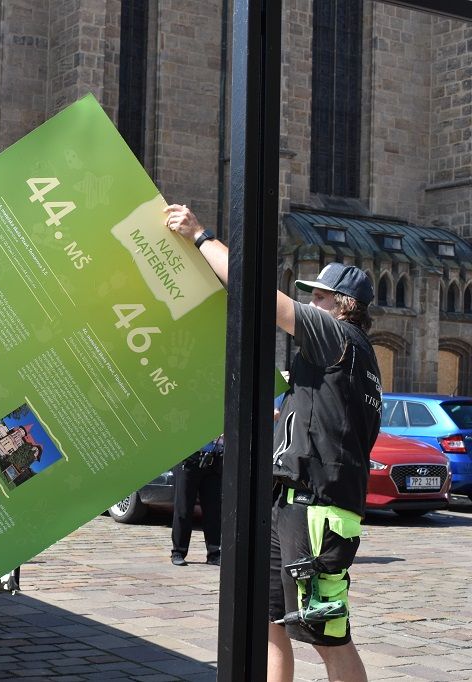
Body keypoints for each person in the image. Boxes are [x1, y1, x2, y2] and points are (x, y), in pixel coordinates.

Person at [165, 205, 381, 682]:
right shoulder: (353, 359)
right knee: (271, 623)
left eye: (318, 297)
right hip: (294, 503)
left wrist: (201, 237)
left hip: (317, 509)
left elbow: (261, 296)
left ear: (343, 304)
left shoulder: (337, 336)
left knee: (327, 636)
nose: (310, 304)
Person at [170, 435, 223, 567]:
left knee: (213, 510)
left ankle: (214, 553)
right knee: (183, 508)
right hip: (188, 457)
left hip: (214, 457)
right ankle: (178, 551)